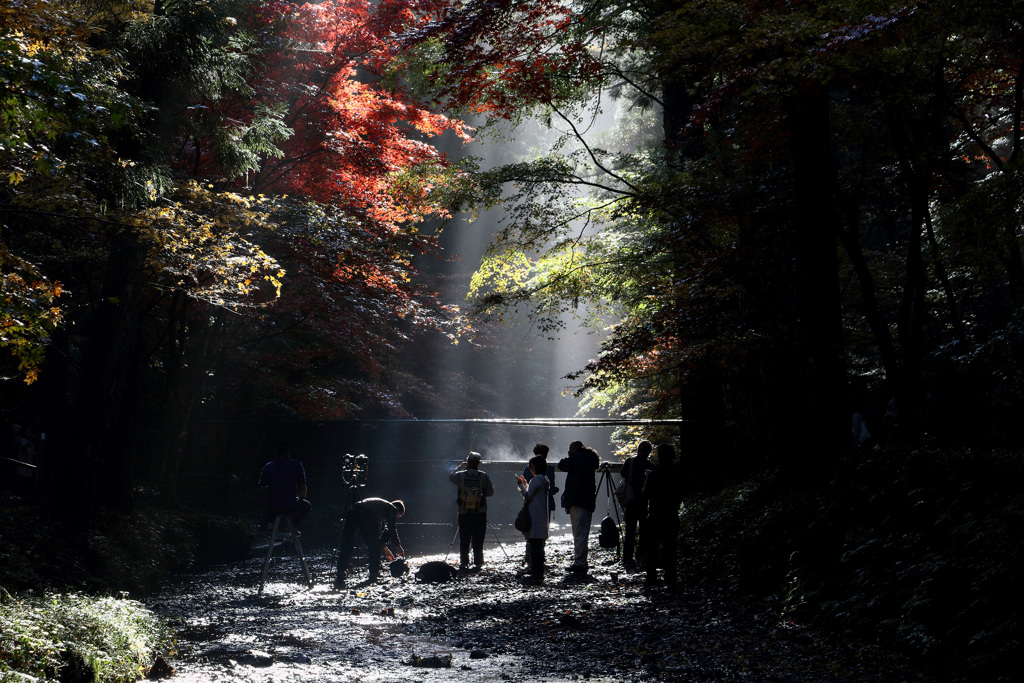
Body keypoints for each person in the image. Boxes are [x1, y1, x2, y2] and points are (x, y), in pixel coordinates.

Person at [334, 497, 406, 588]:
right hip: (365, 514)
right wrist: (398, 546)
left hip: (353, 511)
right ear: (398, 509)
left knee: (348, 544)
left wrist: (384, 547)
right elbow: (392, 529)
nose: (396, 518)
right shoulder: (393, 508)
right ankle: (374, 573)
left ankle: (340, 571)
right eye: (398, 515)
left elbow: (380, 533)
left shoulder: (380, 509)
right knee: (374, 547)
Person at [557, 440, 600, 578]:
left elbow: (562, 465)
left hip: (577, 500)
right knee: (583, 532)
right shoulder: (589, 460)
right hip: (587, 500)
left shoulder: (575, 459)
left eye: (570, 449)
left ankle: (580, 563)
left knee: (579, 533)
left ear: (574, 449)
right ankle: (581, 561)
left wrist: (569, 455)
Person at [642, 444, 683, 586]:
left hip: (654, 515)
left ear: (659, 456)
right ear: (673, 456)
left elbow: (645, 494)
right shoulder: (677, 475)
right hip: (671, 515)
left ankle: (651, 577)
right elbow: (683, 492)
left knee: (652, 548)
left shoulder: (654, 475)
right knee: (670, 547)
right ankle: (671, 576)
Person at [449, 450, 495, 571]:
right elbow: (490, 493)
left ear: (468, 462)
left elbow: (450, 477)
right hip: (480, 513)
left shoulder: (460, 475)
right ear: (478, 463)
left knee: (464, 538)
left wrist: (459, 467)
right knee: (478, 539)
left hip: (464, 512)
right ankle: (478, 562)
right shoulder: (484, 476)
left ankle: (464, 562)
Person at [257, 440, 311, 527]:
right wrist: (301, 497)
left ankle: (268, 523)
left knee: (263, 503)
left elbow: (262, 488)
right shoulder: (296, 465)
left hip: (273, 505)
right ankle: (291, 526)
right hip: (290, 504)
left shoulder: (268, 466)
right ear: (289, 452)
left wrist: (273, 491)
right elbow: (303, 487)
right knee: (306, 505)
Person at [521, 443, 557, 568]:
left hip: (533, 507)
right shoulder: (548, 473)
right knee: (541, 533)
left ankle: (530, 559)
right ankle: (539, 559)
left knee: (531, 532)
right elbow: (551, 489)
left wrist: (522, 485)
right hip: (545, 506)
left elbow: (528, 495)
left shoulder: (531, 471)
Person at [516, 455, 550, 584]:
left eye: (530, 466)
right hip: (541, 515)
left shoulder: (536, 480)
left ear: (534, 467)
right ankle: (538, 569)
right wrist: (525, 484)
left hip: (535, 515)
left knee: (535, 544)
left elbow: (527, 496)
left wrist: (521, 486)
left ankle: (536, 570)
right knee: (539, 545)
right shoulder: (544, 479)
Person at [619, 440, 652, 570]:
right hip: (643, 500)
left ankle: (627, 556)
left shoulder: (630, 461)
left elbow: (622, 473)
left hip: (631, 499)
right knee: (644, 529)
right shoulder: (647, 463)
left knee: (630, 529)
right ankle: (641, 554)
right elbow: (654, 469)